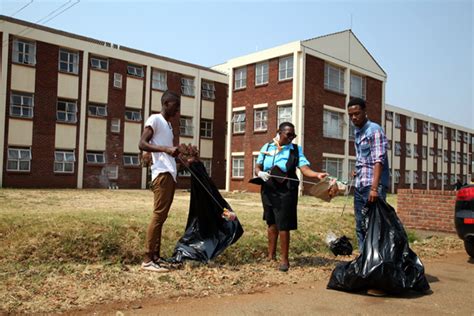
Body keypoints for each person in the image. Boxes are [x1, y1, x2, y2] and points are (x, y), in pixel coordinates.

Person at [255, 122, 328, 272]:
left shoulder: (295, 150)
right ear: (279, 132)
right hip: (268, 188)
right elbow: (258, 166)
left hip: (286, 190)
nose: (291, 138)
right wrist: (259, 173)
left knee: (284, 223)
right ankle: (270, 255)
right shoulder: (267, 147)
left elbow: (304, 169)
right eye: (288, 134)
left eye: (293, 135)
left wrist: (316, 175)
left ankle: (284, 260)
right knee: (271, 221)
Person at [138, 90, 181, 273]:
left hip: (169, 173)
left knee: (161, 217)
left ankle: (155, 256)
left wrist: (178, 156)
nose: (177, 110)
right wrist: (165, 149)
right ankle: (147, 259)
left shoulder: (169, 126)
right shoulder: (154, 119)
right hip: (161, 174)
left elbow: (168, 151)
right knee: (158, 215)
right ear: (166, 103)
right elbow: (142, 143)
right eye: (175, 105)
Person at [347, 97, 390, 251]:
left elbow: (379, 160)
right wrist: (357, 170)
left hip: (372, 187)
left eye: (357, 113)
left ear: (365, 111)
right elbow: (364, 158)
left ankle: (376, 261)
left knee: (374, 226)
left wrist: (374, 188)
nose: (353, 117)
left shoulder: (374, 130)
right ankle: (364, 260)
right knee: (360, 225)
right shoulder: (357, 131)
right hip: (360, 185)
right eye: (350, 115)